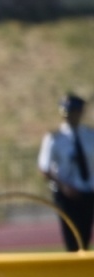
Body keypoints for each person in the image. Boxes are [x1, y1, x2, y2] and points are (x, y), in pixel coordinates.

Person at [38, 92, 94, 253]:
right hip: (66, 194)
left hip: (88, 191)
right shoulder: (54, 138)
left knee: (85, 235)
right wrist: (65, 187)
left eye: (73, 112)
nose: (70, 116)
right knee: (71, 238)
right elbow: (44, 168)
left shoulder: (90, 135)